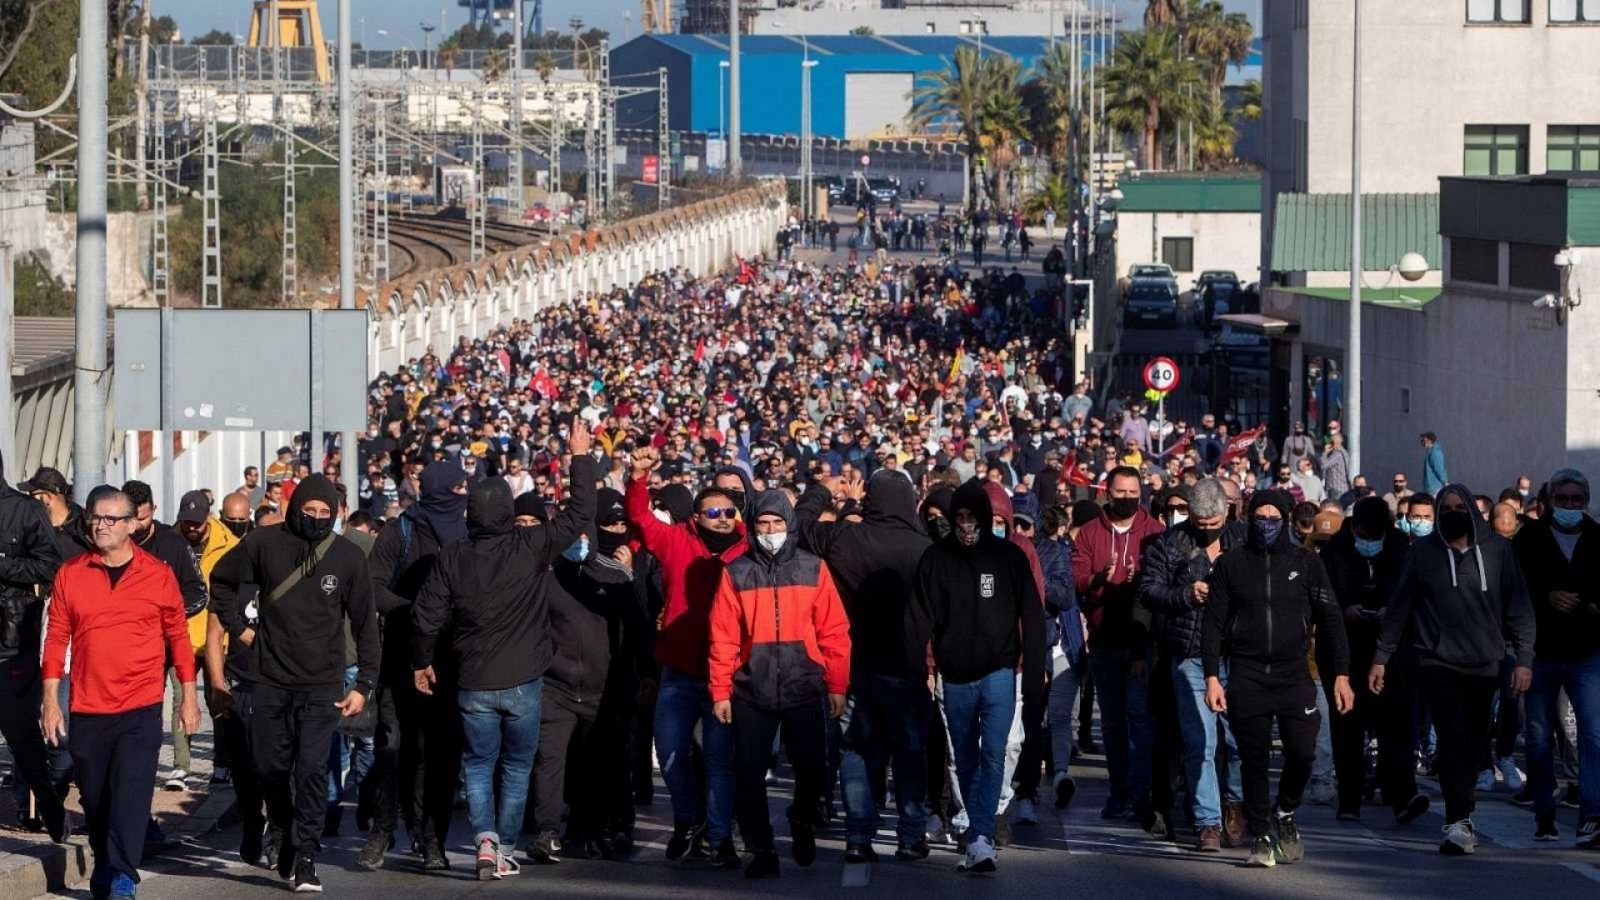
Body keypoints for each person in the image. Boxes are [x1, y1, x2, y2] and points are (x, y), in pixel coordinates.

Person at [411, 444, 594, 879]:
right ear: (508, 512)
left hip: (474, 679)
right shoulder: (531, 545)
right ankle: (505, 844)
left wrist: (422, 660)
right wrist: (580, 458)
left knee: (477, 763)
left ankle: (486, 840)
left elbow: (426, 614)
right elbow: (581, 510)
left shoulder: (453, 555)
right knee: (516, 765)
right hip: (524, 680)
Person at [210, 474, 381, 891]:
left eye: (326, 513)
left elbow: (365, 624)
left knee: (310, 771)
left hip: (322, 682)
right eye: (310, 512)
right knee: (270, 766)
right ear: (296, 508)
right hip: (269, 679)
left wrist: (364, 685)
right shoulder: (264, 544)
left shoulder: (347, 556)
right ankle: (282, 827)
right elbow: (222, 580)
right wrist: (240, 628)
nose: (318, 519)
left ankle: (305, 854)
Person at [43, 486, 199, 900]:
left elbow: (178, 637)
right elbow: (56, 638)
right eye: (97, 517)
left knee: (131, 795)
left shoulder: (158, 574)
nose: (102, 525)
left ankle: (123, 876)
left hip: (141, 705)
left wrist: (188, 695)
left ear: (132, 524)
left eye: (113, 518)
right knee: (95, 799)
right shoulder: (71, 573)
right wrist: (50, 701)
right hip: (88, 706)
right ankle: (105, 858)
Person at [1370, 483, 1534, 856]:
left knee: (1475, 741)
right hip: (1436, 660)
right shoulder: (1422, 553)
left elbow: (1520, 607)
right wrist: (1381, 656)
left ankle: (1465, 809)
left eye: (1461, 507)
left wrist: (1524, 659)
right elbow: (1400, 606)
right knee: (1450, 737)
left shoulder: (1499, 551)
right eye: (1446, 509)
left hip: (1486, 662)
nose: (1453, 514)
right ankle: (1458, 820)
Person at [1203, 489, 1353, 868]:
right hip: (1247, 673)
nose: (1265, 525)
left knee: (1302, 752)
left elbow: (1332, 620)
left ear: (1285, 521)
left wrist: (1341, 675)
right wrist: (1211, 678)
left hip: (1294, 674)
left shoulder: (1306, 563)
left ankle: (1284, 812)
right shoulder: (1230, 564)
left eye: (1273, 519)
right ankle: (1262, 835)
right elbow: (1213, 624)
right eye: (1259, 518)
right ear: (1249, 519)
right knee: (1251, 758)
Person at [710, 491, 851, 879]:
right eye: (763, 524)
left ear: (789, 525)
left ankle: (802, 818)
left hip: (804, 685)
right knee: (749, 773)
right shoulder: (735, 572)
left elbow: (835, 632)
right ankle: (762, 848)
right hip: (750, 690)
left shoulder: (813, 568)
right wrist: (720, 691)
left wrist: (837, 685)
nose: (771, 531)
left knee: (813, 770)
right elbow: (723, 636)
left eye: (777, 523)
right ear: (752, 528)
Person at [793, 473, 933, 862]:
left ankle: (858, 836)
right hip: (906, 667)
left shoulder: (844, 538)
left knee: (855, 750)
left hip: (853, 663)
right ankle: (910, 836)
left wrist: (823, 490)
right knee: (910, 753)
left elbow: (797, 524)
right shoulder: (924, 549)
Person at [912, 479, 1045, 873]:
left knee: (995, 753)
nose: (967, 525)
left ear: (987, 519)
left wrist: (1035, 675)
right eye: (961, 518)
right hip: (954, 678)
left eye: (973, 517)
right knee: (964, 756)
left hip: (1001, 673)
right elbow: (919, 619)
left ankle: (982, 835)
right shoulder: (936, 560)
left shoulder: (1009, 558)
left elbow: (1033, 618)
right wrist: (921, 669)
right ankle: (978, 832)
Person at [626, 445, 745, 867]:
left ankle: (719, 836)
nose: (722, 520)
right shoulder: (677, 540)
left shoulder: (747, 550)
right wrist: (637, 479)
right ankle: (688, 821)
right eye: (712, 513)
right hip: (677, 670)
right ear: (696, 518)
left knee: (718, 761)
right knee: (672, 752)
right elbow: (640, 519)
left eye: (729, 512)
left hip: (725, 676)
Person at [360, 461, 470, 870]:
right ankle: (383, 828)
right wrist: (415, 611)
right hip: (401, 660)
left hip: (450, 663)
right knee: (392, 747)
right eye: (456, 487)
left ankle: (431, 837)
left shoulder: (468, 532)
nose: (461, 495)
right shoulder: (401, 530)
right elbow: (372, 586)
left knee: (439, 754)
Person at [1138, 479, 1245, 852]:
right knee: (1199, 740)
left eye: (1213, 522)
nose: (1206, 529)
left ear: (1228, 512)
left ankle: (1235, 802)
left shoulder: (1243, 542)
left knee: (1238, 741)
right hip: (1191, 654)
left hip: (1239, 655)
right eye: (1199, 522)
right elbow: (1148, 590)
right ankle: (1207, 821)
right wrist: (1186, 593)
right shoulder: (1170, 544)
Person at [1318, 496, 1428, 824]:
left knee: (1396, 727)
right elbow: (1324, 599)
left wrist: (1388, 614)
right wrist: (1346, 609)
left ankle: (1402, 795)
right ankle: (1349, 799)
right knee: (1348, 726)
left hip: (1390, 651)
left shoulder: (1400, 549)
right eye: (1364, 536)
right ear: (1354, 528)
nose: (1369, 543)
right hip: (1345, 652)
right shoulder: (1334, 550)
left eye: (1375, 537)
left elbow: (1411, 596)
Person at [1072, 466, 1164, 827]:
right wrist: (1100, 578)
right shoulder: (1091, 533)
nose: (1126, 498)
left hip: (1142, 643)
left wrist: (1139, 581)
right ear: (1107, 493)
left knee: (1141, 720)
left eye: (1133, 492)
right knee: (1112, 724)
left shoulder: (1155, 532)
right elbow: (1077, 576)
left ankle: (1142, 795)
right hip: (1105, 643)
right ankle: (1119, 792)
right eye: (1120, 492)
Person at [1512, 469, 1599, 845]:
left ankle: (1592, 814)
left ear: (1586, 502)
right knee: (1538, 737)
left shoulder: (1597, 537)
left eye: (1575, 500)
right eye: (1561, 500)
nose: (1568, 506)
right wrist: (1547, 596)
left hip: (1587, 651)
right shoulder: (1530, 537)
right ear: (1549, 501)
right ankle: (1544, 811)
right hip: (1540, 650)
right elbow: (1515, 587)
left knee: (1593, 735)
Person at [120, 480, 207, 787]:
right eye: (130, 518)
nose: (136, 525)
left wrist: (169, 617)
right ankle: (139, 761)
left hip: (172, 639)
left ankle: (181, 765)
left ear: (153, 511)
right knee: (144, 704)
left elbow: (199, 591)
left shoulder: (174, 545)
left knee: (183, 697)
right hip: (132, 645)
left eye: (142, 518)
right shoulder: (114, 543)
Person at [0, 456, 69, 844]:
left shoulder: (25, 510)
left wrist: (3, 565)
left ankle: (51, 808)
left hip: (12, 642)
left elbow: (50, 567)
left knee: (22, 738)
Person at [173, 489, 239, 785]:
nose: (191, 527)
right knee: (180, 699)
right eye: (186, 522)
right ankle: (180, 764)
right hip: (182, 636)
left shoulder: (230, 545)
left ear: (208, 518)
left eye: (196, 523)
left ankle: (222, 763)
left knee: (218, 699)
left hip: (216, 638)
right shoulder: (171, 543)